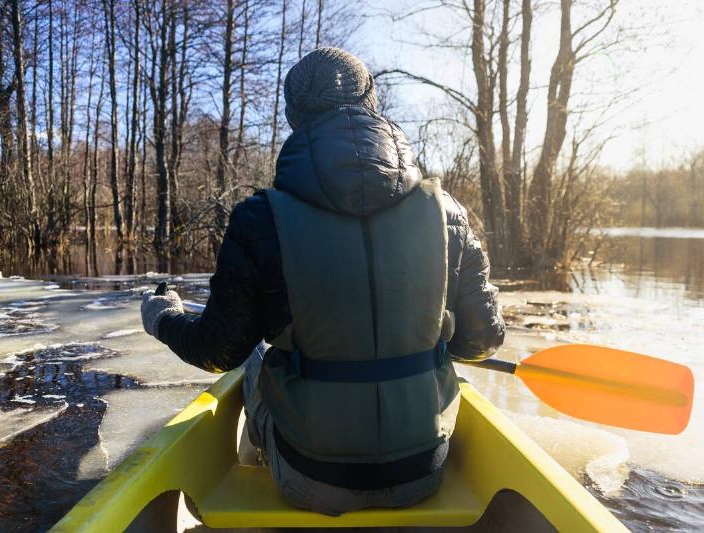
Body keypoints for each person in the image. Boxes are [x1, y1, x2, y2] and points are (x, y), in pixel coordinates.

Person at [140, 47, 505, 516]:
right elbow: (481, 341)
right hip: (424, 471)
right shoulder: (446, 212)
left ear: (295, 118)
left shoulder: (259, 219)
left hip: (311, 478)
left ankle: (262, 461)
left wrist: (163, 318)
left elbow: (219, 351)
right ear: (371, 103)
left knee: (254, 354)